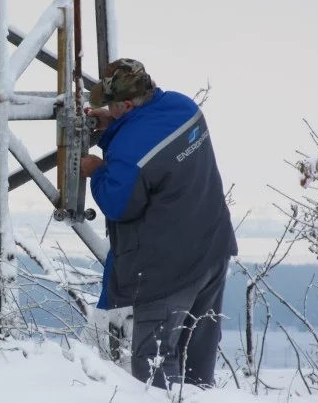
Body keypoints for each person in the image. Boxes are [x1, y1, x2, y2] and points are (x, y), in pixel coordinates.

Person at [80, 58, 238, 389]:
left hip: (167, 272)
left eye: (110, 105)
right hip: (212, 250)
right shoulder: (183, 107)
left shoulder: (130, 147)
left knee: (153, 367)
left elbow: (118, 204)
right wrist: (113, 123)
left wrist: (96, 170)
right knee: (197, 361)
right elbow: (151, 146)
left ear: (125, 104)